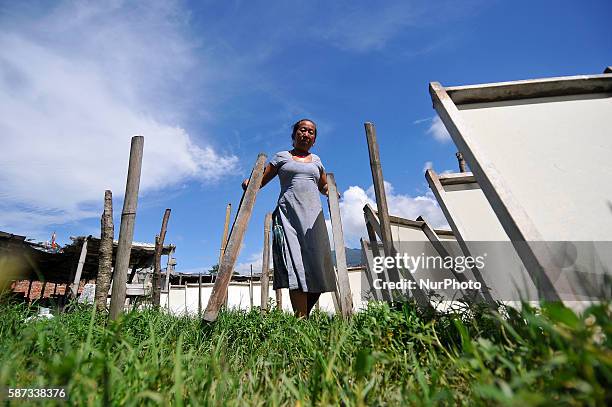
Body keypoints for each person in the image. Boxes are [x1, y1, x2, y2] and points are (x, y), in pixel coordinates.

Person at [242, 119, 336, 318]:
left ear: (314, 139)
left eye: (311, 132)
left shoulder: (317, 160)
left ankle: (303, 316)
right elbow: (261, 180)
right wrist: (250, 183)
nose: (306, 134)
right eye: (303, 130)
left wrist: (333, 192)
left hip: (313, 219)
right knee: (296, 265)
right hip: (289, 215)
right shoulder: (283, 157)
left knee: (318, 266)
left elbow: (324, 186)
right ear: (294, 135)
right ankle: (301, 319)